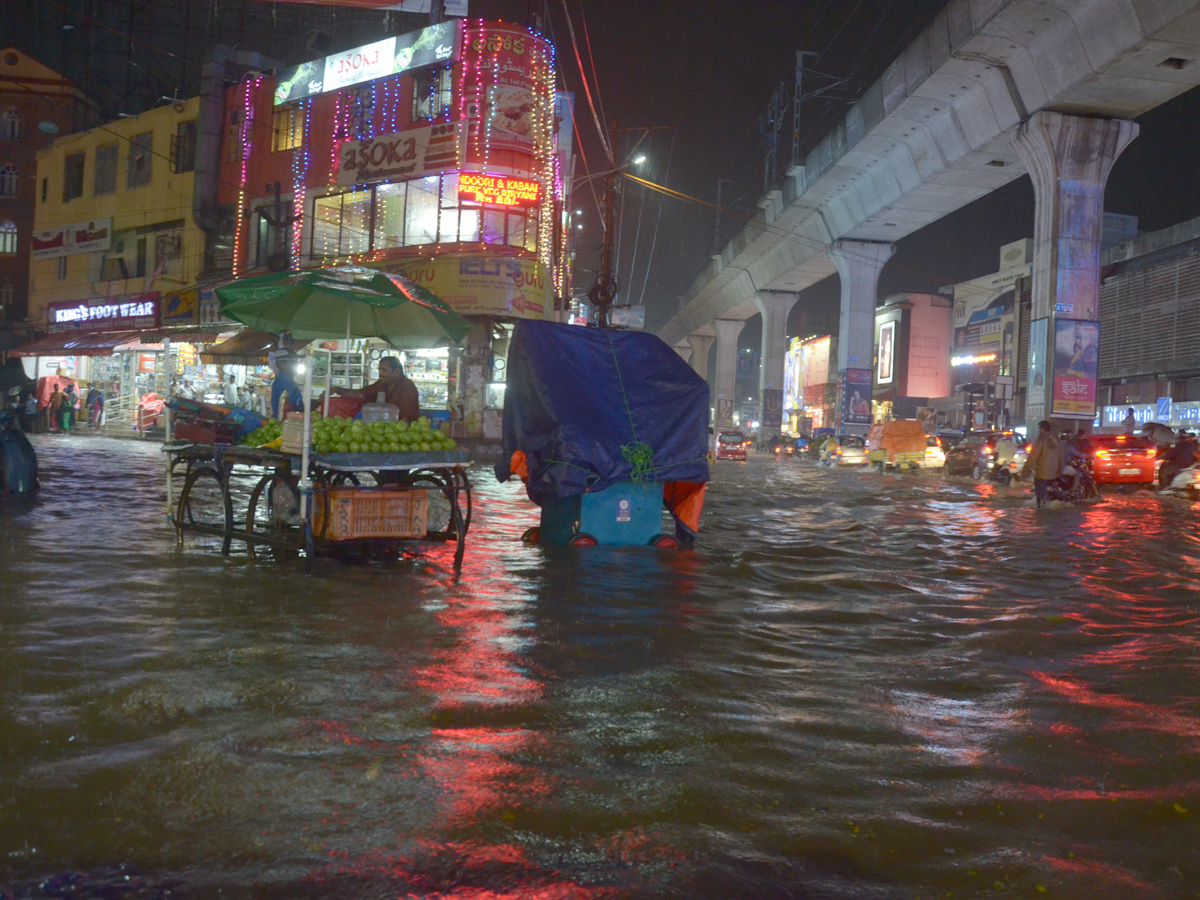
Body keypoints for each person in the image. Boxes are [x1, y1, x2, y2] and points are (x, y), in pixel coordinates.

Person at [331, 355, 419, 423]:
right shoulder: (381, 384)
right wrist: (338, 390)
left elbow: (406, 418)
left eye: (384, 371)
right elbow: (360, 394)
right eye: (379, 370)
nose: (380, 374)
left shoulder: (407, 387)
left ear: (396, 372)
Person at [1021, 420, 1063, 508]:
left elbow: (1033, 456)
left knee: (1040, 494)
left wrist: (1025, 469)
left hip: (1042, 472)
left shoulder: (1041, 440)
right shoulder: (1056, 440)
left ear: (1042, 429)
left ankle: (1041, 509)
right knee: (1050, 493)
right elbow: (1060, 456)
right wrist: (1059, 469)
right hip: (1054, 472)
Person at [269, 348, 305, 419]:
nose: (297, 364)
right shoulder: (284, 382)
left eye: (297, 361)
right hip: (287, 425)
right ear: (281, 364)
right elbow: (289, 408)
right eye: (293, 361)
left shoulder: (288, 381)